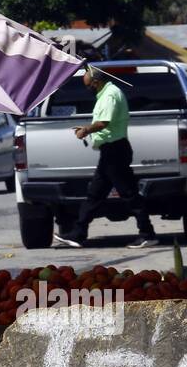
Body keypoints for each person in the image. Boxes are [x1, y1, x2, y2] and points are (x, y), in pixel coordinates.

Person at [54, 66, 157, 249]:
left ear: (96, 82)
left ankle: (147, 233)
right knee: (95, 194)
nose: (88, 90)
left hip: (115, 150)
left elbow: (104, 122)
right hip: (110, 151)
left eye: (89, 86)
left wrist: (85, 130)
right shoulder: (106, 93)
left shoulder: (110, 94)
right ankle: (78, 234)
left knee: (129, 193)